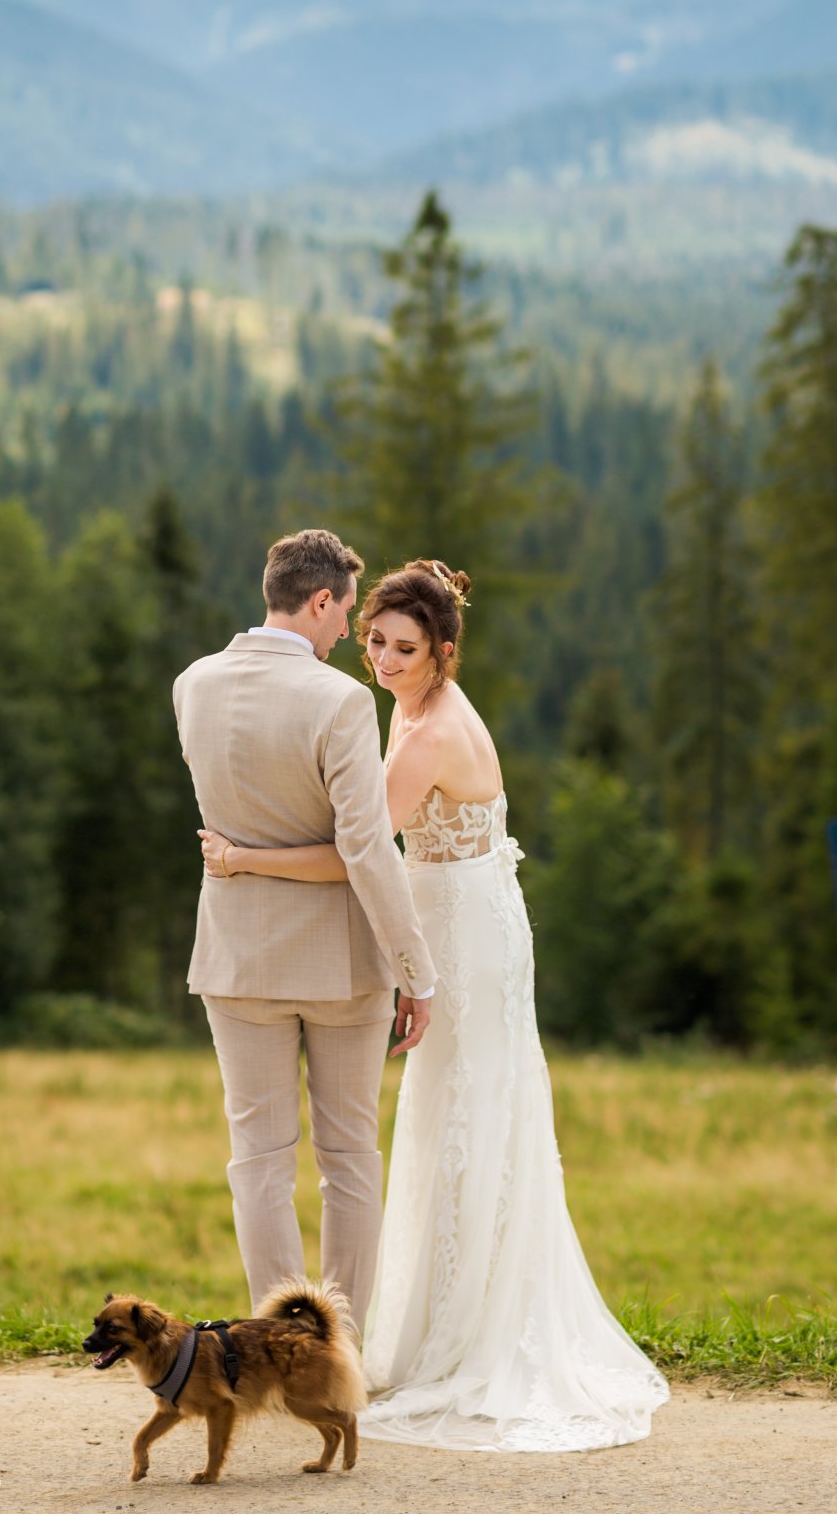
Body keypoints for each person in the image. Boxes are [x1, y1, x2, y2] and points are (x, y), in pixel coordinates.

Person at [198, 558, 669, 1452]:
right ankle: (429, 1323)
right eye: (373, 639)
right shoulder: (412, 709)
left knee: (462, 1118)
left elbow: (357, 851)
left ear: (443, 652)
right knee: (446, 1120)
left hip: (457, 940)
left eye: (403, 648)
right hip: (465, 915)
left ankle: (464, 1337)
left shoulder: (423, 735)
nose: (380, 659)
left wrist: (245, 857)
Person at [173, 528, 438, 1334]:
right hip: (340, 966)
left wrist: (241, 858)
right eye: (346, 615)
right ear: (320, 599)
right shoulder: (340, 701)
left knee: (256, 1158)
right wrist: (414, 969)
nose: (346, 636)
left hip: (236, 958)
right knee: (349, 1157)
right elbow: (365, 845)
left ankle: (281, 1346)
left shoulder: (193, 684)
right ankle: (339, 1344)